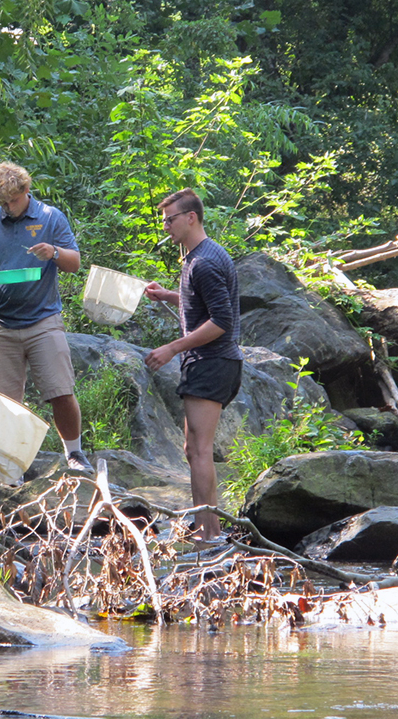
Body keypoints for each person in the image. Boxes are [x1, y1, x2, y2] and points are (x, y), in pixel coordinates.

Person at [0, 161, 92, 473]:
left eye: (13, 199)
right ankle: (9, 467)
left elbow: (75, 263)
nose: (9, 206)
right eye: (2, 202)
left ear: (26, 190)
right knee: (5, 402)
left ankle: (74, 453)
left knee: (60, 390)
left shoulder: (50, 217)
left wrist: (54, 252)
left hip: (43, 320)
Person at [143, 188, 242, 542]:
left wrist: (172, 347)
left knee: (200, 450)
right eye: (164, 220)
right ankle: (207, 528)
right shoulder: (195, 258)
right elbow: (201, 303)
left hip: (213, 362)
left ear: (191, 218)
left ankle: (208, 534)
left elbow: (222, 322)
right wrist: (170, 295)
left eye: (170, 220)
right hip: (209, 363)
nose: (166, 227)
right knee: (192, 449)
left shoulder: (205, 262)